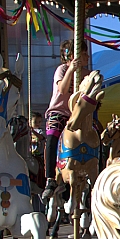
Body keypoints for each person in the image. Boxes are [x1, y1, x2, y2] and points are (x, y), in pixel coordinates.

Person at [41, 41, 87, 203]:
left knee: (96, 134)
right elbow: (62, 89)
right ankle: (50, 179)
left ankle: (95, 170)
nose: (87, 56)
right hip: (59, 112)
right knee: (52, 136)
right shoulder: (62, 70)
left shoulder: (86, 73)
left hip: (78, 114)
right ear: (73, 56)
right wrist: (72, 70)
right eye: (83, 53)